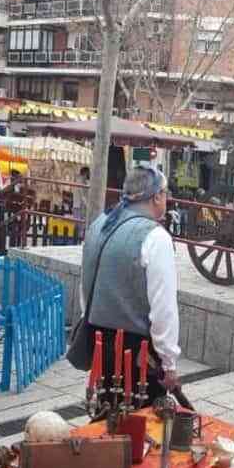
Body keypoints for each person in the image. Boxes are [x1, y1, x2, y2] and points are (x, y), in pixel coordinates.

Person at [66, 166, 181, 406]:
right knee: (140, 425)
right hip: (137, 351)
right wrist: (169, 362)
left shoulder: (99, 224)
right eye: (166, 193)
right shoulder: (155, 237)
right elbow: (163, 308)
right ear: (157, 196)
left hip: (99, 339)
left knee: (106, 412)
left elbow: (86, 285)